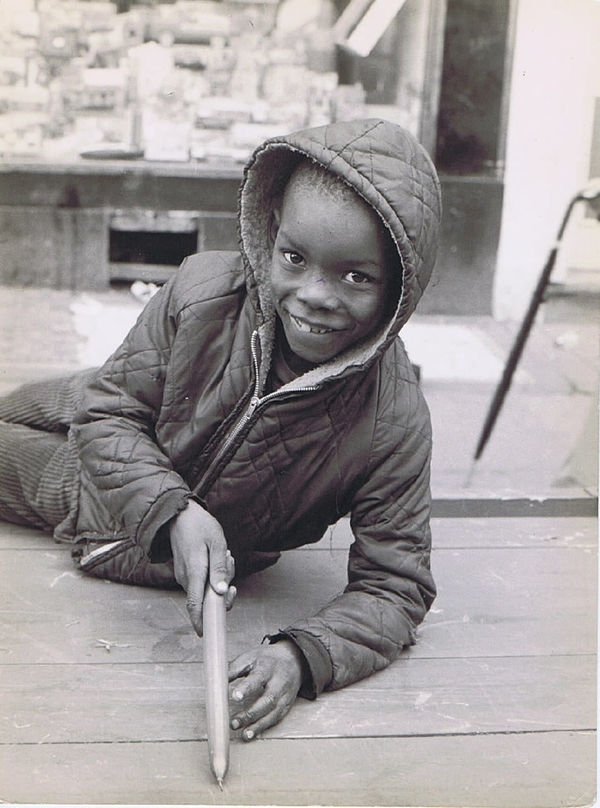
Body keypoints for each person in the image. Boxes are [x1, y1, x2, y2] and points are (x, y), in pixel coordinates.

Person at [0, 118, 441, 741]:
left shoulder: (393, 419)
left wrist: (301, 656)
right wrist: (175, 509)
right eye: (294, 258)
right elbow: (108, 405)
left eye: (356, 277)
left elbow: (395, 586)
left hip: (86, 492)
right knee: (27, 401)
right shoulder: (202, 287)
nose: (315, 294)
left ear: (403, 287)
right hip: (118, 403)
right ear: (270, 235)